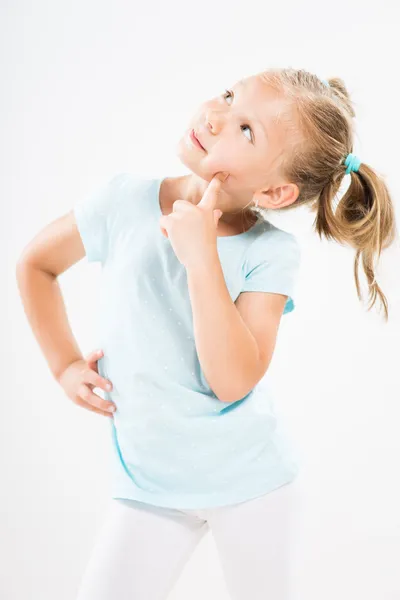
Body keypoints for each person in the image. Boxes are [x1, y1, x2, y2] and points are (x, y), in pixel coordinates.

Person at [16, 67, 398, 600]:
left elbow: (232, 381)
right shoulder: (122, 203)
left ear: (276, 191)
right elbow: (36, 264)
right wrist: (63, 365)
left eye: (246, 130)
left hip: (250, 487)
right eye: (228, 95)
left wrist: (201, 258)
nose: (216, 116)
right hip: (148, 488)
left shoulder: (269, 253)